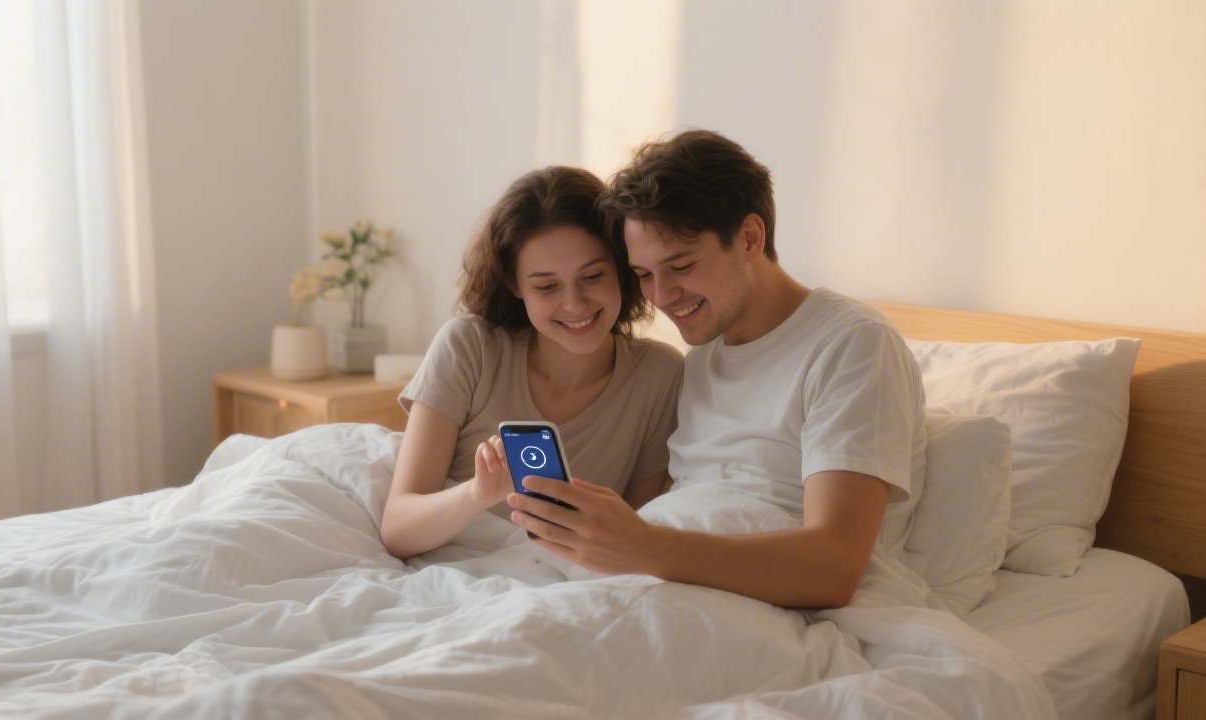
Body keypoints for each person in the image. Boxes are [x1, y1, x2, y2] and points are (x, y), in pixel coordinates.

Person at [506, 130, 926, 609]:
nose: (661, 297)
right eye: (644, 275)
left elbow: (834, 568)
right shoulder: (702, 359)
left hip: (757, 603)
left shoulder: (852, 345)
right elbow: (688, 504)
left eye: (680, 266)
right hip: (662, 584)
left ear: (748, 238)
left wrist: (641, 545)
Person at [381, 166, 684, 561]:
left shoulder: (658, 374)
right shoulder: (469, 347)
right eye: (547, 286)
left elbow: (635, 529)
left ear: (621, 267)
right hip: (453, 570)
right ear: (514, 284)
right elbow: (398, 529)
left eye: (592, 276)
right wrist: (478, 493)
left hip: (566, 581)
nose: (575, 304)